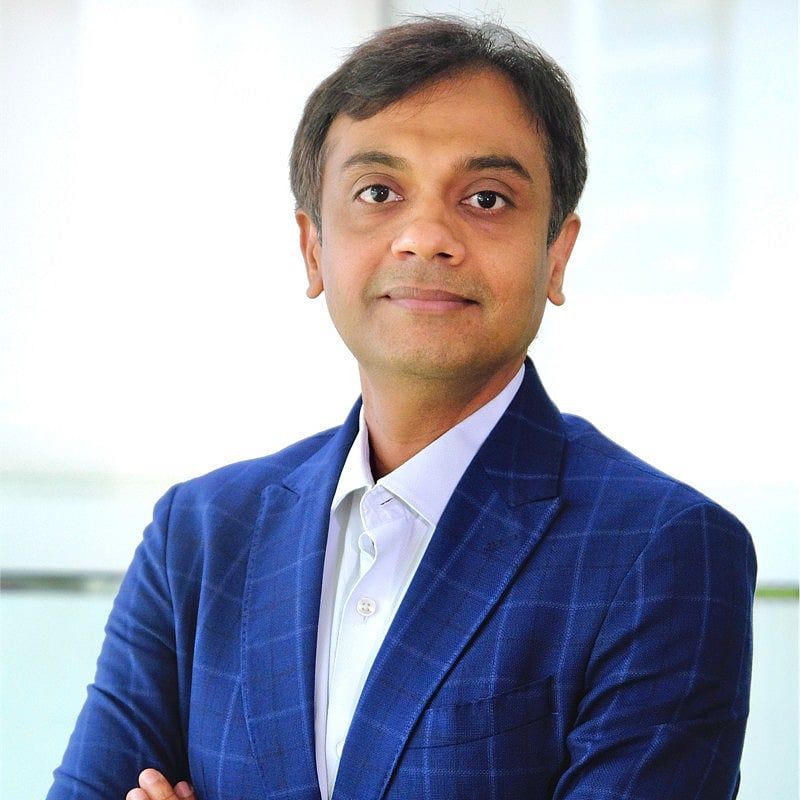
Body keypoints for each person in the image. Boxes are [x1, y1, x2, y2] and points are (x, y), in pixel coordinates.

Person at [47, 16, 756, 800]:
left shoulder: (664, 552)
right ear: (313, 249)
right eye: (378, 193)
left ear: (557, 254)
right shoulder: (203, 534)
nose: (425, 237)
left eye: (487, 198)